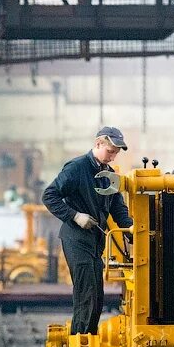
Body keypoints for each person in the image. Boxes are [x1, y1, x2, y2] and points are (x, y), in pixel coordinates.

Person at [43, 127, 133, 335]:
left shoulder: (108, 174)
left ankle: (88, 344)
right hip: (76, 239)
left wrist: (130, 229)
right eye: (110, 151)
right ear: (98, 144)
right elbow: (49, 196)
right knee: (86, 295)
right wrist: (75, 216)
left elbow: (117, 206)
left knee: (97, 298)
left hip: (94, 242)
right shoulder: (76, 168)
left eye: (116, 153)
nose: (113, 156)